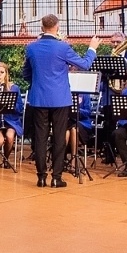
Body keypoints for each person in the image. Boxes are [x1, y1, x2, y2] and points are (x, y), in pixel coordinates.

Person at [22, 14, 100, 188]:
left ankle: (41, 177)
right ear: (57, 27)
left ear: (42, 28)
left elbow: (26, 73)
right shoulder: (63, 47)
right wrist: (92, 48)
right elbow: (85, 64)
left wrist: (38, 81)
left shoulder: (31, 48)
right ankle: (56, 178)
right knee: (59, 137)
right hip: (60, 98)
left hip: (39, 98)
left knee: (40, 138)